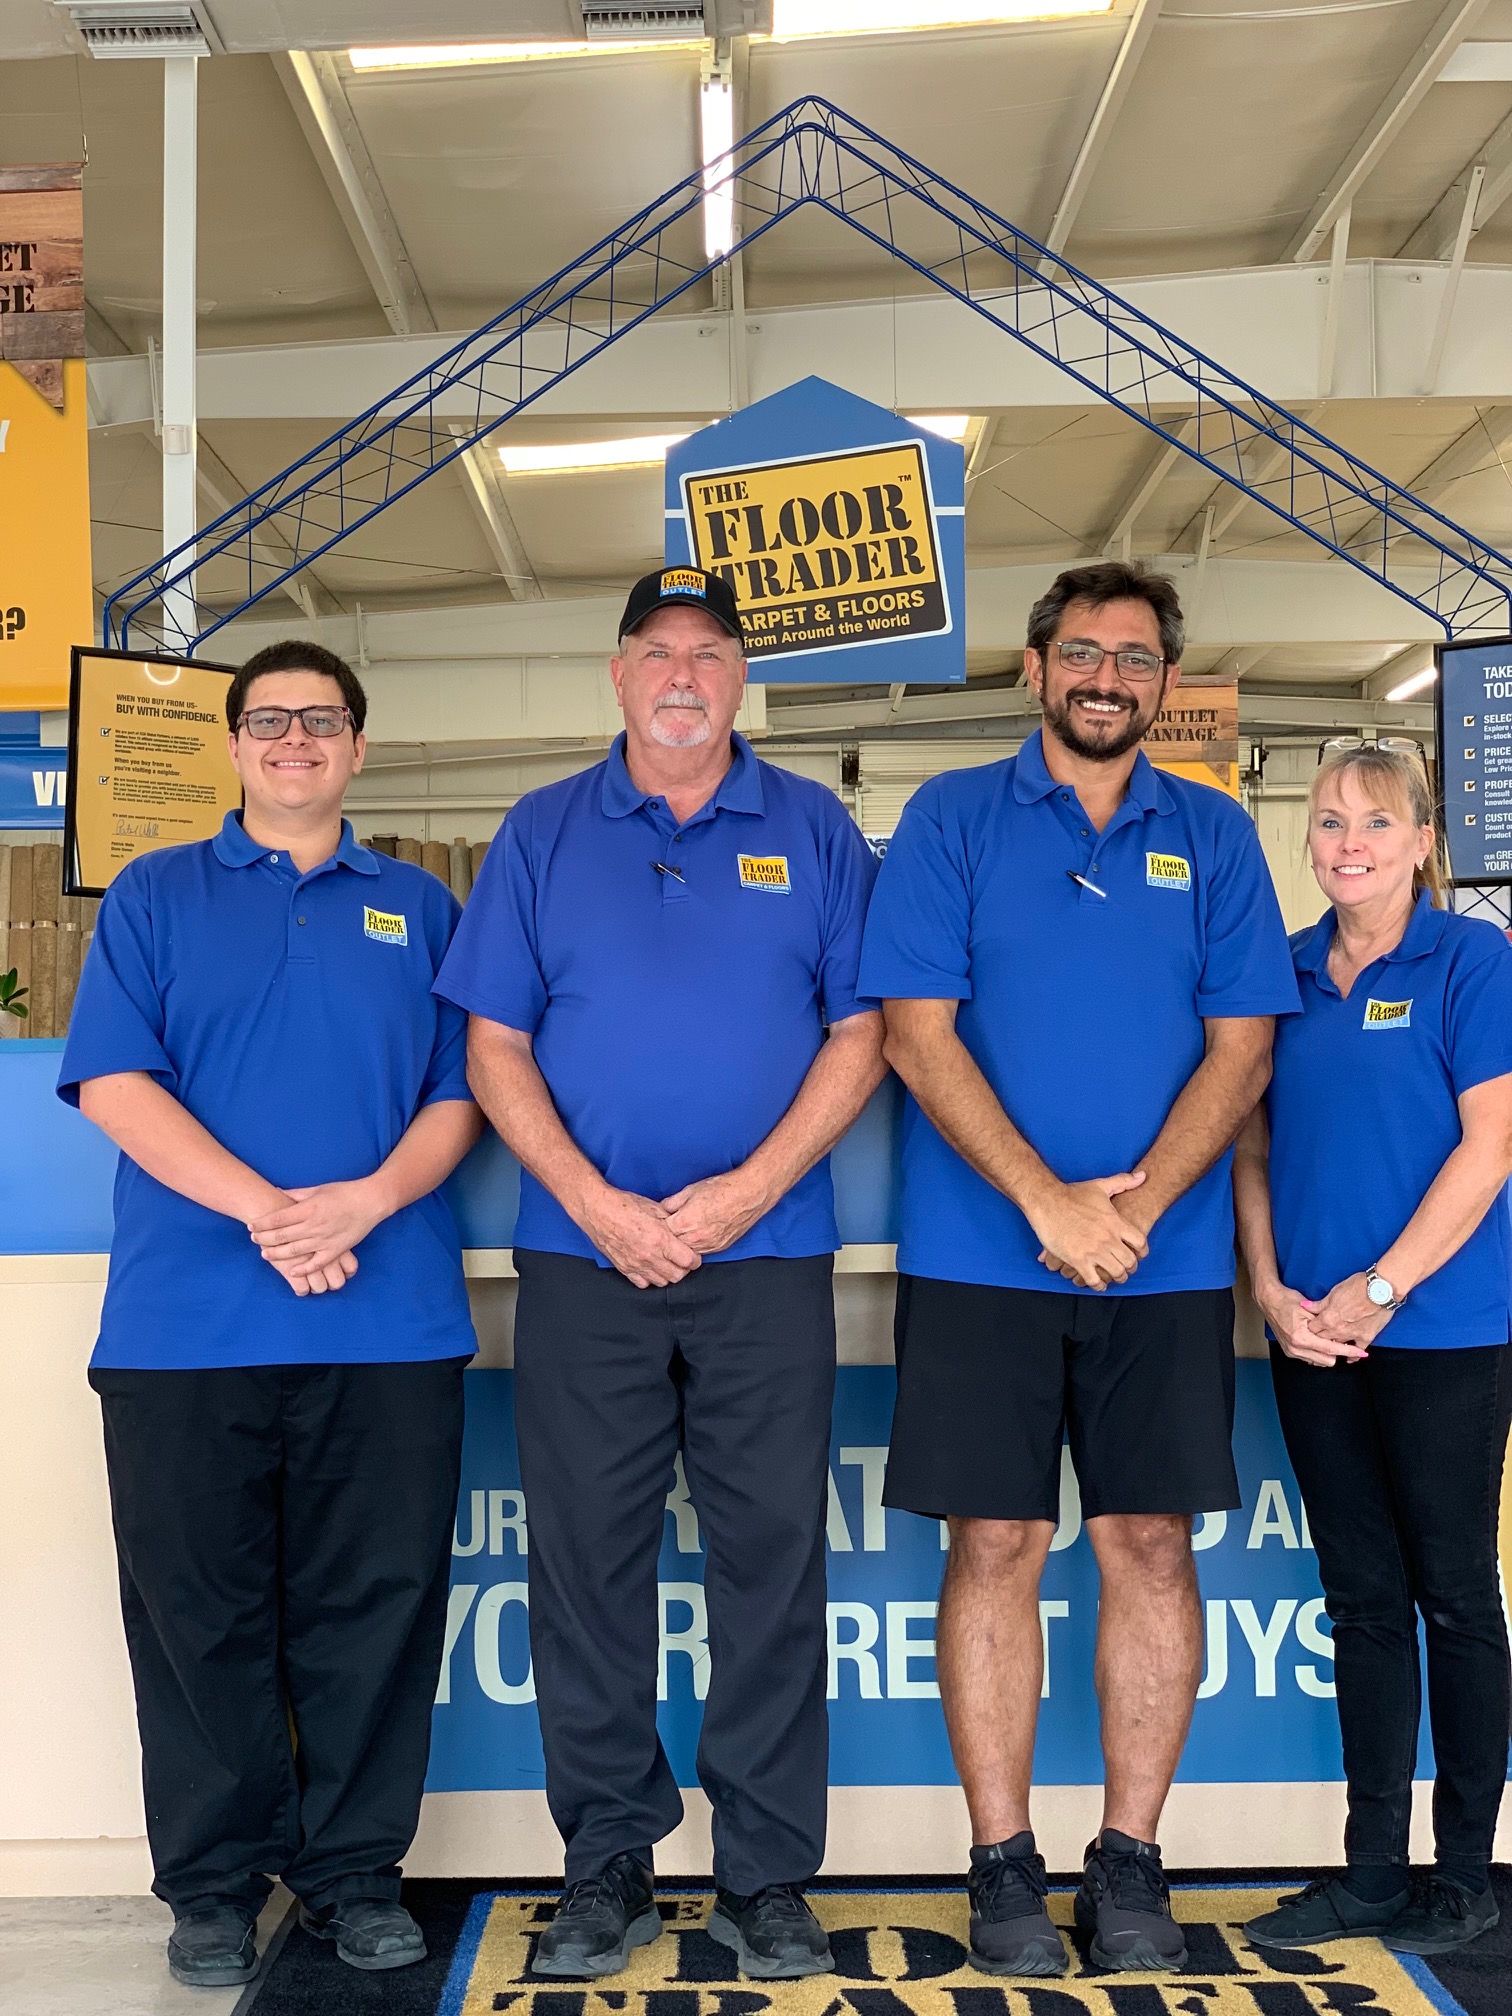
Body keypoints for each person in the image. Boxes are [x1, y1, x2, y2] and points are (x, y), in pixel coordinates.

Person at [435, 566, 884, 1982]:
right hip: (581, 1260)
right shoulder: (542, 831)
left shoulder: (815, 829)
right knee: (585, 1567)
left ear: (742, 679)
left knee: (771, 1565)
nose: (682, 674)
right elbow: (494, 1046)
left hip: (766, 1264)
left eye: (708, 652)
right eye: (656, 651)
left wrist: (748, 1192)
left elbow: (861, 1035)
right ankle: (606, 1861)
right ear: (618, 675)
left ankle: (764, 1876)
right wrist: (598, 1203)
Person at [858, 561, 1300, 1976]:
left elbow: (1245, 1044)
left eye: (1138, 656)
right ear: (1036, 666)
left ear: (1166, 683)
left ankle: (1130, 1863)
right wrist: (1047, 1202)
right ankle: (1000, 1866)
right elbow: (918, 1034)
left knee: (1149, 1546)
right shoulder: (950, 819)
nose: (1109, 675)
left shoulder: (1218, 836)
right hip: (983, 1258)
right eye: (1085, 650)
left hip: (1158, 1273)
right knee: (994, 1544)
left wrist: (1134, 1207)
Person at [59, 642, 482, 1989]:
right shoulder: (153, 896)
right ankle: (213, 1883)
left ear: (358, 748)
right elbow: (117, 1085)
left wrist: (359, 1207)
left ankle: (356, 1874)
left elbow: (467, 1095)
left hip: (388, 1325)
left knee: (376, 1609)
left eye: (322, 721)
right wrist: (273, 1214)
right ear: (235, 747)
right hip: (187, 1333)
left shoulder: (420, 907)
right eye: (269, 721)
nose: (295, 739)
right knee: (200, 1616)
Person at [1234, 744, 1512, 1958]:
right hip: (1310, 1335)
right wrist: (1273, 1295)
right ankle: (1372, 1871)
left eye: (1376, 823)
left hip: (1442, 1328)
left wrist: (1384, 1286)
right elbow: (1248, 1152)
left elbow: (1492, 1144)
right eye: (1331, 821)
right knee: (1359, 1602)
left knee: (1453, 1592)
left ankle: (1463, 1877)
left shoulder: (1471, 961)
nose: (1349, 842)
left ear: (1420, 841)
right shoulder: (1281, 972)